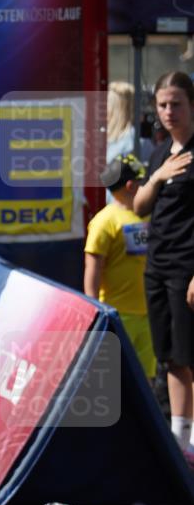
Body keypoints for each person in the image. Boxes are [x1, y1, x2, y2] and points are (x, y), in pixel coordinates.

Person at [134, 71, 194, 462]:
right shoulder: (159, 152)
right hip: (157, 267)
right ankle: (181, 441)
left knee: (192, 355)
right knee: (171, 356)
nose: (168, 111)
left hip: (187, 270)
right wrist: (157, 176)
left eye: (176, 103)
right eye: (162, 104)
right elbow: (139, 206)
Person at [84, 153, 156, 379]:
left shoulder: (149, 215)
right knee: (116, 376)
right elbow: (93, 267)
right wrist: (94, 308)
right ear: (131, 185)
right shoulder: (105, 221)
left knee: (146, 376)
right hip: (118, 314)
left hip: (148, 312)